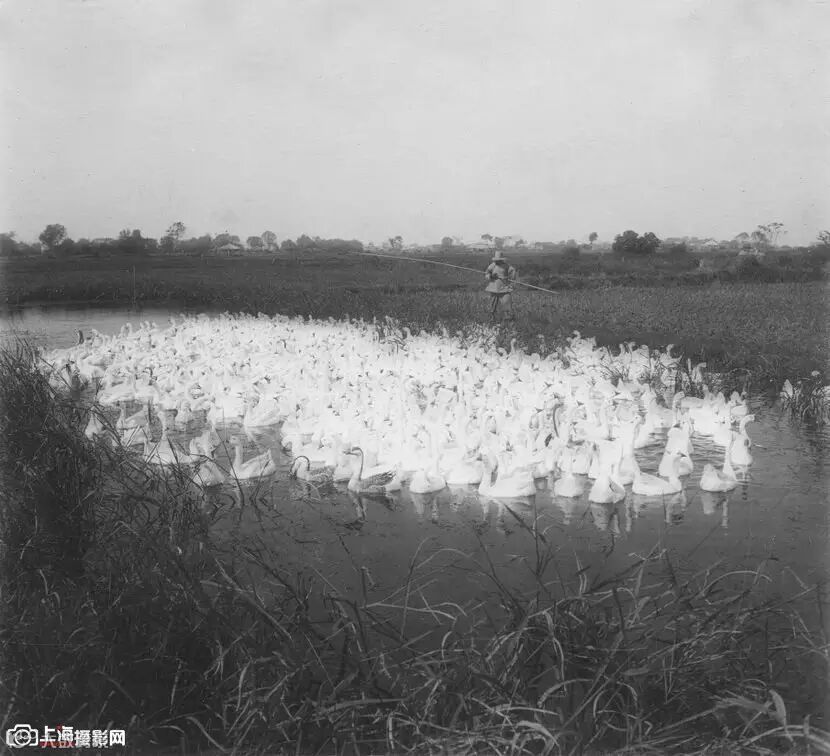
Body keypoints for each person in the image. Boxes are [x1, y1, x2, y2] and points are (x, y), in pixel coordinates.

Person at [484, 251, 517, 321]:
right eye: (496, 260)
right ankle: (492, 317)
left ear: (502, 260)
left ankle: (508, 317)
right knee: (493, 303)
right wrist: (491, 276)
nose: (497, 261)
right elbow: (486, 274)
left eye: (499, 260)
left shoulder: (506, 266)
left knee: (507, 301)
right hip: (494, 287)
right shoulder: (492, 265)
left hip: (504, 286)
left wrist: (511, 280)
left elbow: (513, 271)